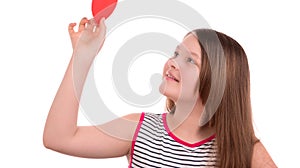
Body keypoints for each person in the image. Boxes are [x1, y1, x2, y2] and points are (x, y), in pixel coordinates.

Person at [43, 17, 277, 167]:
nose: (173, 62)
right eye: (176, 54)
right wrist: (82, 56)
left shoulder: (245, 151)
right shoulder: (139, 128)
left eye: (189, 60)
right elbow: (58, 138)